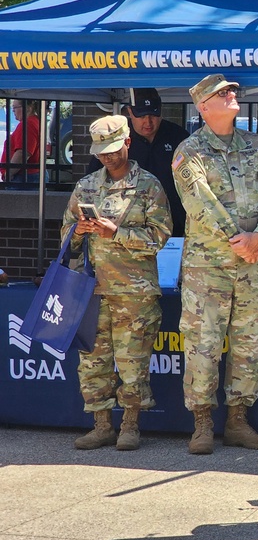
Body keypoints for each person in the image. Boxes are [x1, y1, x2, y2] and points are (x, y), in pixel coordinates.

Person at [172, 73, 258, 455]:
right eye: (223, 93)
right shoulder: (189, 152)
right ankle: (202, 423)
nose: (232, 94)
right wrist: (240, 241)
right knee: (203, 345)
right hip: (209, 266)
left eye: (233, 90)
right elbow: (199, 204)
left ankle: (238, 421)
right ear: (204, 107)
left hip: (252, 263)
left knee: (248, 344)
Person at [61, 115, 172, 451]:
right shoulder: (86, 186)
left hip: (134, 293)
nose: (107, 157)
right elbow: (66, 238)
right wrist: (78, 231)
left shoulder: (148, 185)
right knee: (93, 362)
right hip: (92, 291)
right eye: (101, 152)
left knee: (132, 363)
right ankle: (100, 425)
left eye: (112, 150)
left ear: (127, 142)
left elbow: (160, 236)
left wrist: (116, 232)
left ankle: (130, 425)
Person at [87, 88, 190, 236]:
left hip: (174, 226)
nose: (148, 122)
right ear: (130, 112)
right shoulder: (117, 140)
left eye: (153, 115)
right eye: (141, 116)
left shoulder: (178, 137)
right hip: (127, 227)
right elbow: (94, 179)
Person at [2, 99, 41, 187]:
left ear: (28, 108)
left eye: (15, 107)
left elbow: (23, 152)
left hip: (23, 177)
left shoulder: (28, 124)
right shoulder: (34, 122)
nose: (13, 111)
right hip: (29, 175)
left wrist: (9, 173)